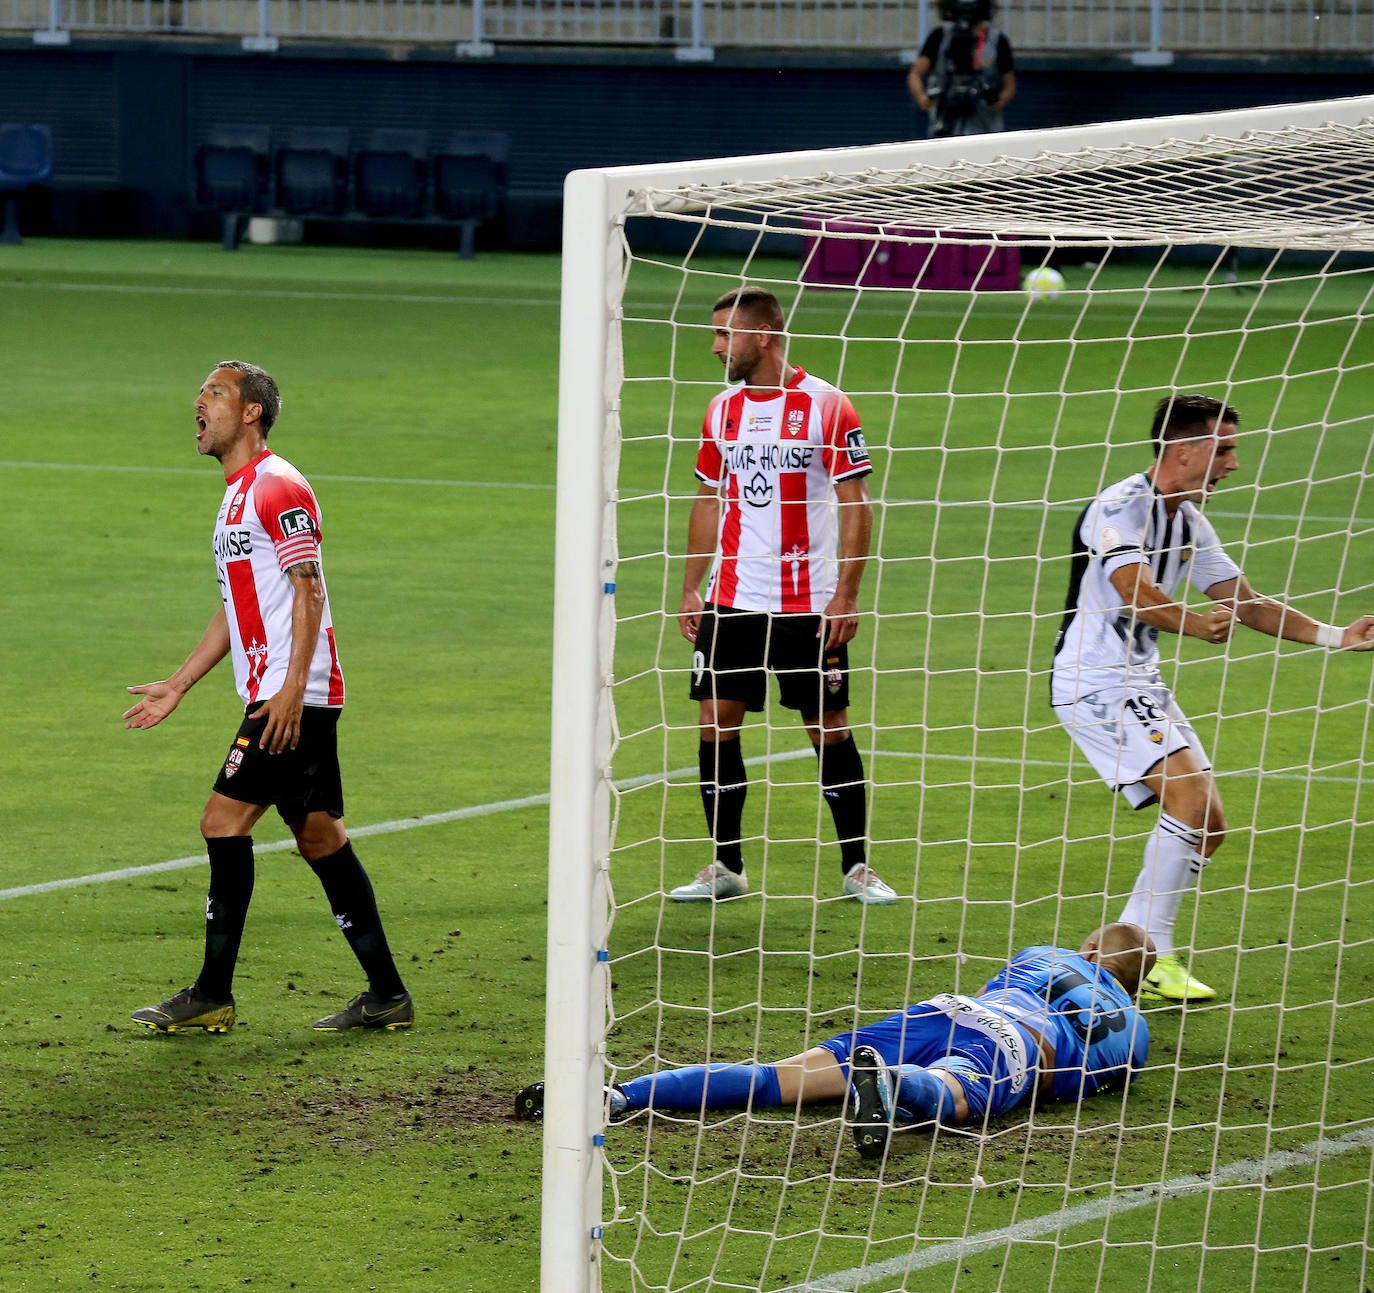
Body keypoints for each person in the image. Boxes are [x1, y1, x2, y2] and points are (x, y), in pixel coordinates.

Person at [1051, 394, 1374, 1003]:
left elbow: (1246, 601)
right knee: (1192, 799)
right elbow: (1134, 593)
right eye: (1223, 449)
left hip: (1138, 680)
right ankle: (1154, 955)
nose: (1232, 463)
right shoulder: (1120, 508)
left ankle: (1117, 954)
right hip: (1094, 680)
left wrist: (1338, 636)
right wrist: (1196, 625)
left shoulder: (1189, 521)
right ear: (1184, 450)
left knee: (1210, 827)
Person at [124, 361, 412, 1034]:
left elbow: (308, 588)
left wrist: (288, 690)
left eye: (214, 392)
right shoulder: (236, 495)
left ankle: (211, 993)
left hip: (293, 696)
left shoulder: (278, 486)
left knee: (222, 823)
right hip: (287, 691)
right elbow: (236, 605)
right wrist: (180, 682)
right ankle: (388, 996)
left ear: (251, 412)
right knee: (320, 839)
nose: (199, 402)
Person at [514, 922, 1154, 1161]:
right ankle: (899, 1089)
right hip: (1017, 1046)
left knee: (777, 1079)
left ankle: (619, 1096)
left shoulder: (1045, 954)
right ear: (1139, 985)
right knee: (960, 1094)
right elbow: (1104, 1078)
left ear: (1091, 949)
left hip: (945, 1011)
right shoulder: (1136, 1030)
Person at [673, 286, 895, 905]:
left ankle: (857, 867)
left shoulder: (827, 405)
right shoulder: (721, 411)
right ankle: (726, 867)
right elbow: (707, 498)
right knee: (717, 722)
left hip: (808, 603)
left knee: (827, 728)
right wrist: (692, 586)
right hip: (733, 598)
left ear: (762, 335)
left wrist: (846, 595)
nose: (716, 347)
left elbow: (856, 503)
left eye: (725, 335)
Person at [907, 0, 1016, 139]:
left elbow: (1010, 84)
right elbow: (915, 73)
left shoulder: (996, 40)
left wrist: (998, 103)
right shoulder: (940, 36)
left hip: (985, 125)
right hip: (945, 122)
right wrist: (923, 98)